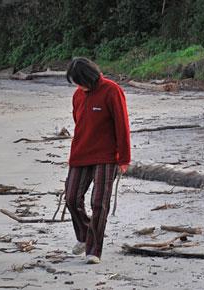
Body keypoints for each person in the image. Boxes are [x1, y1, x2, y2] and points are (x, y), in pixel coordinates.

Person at [65, 57, 131, 264]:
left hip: (107, 155)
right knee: (71, 198)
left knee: (99, 203)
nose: (78, 86)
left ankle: (93, 250)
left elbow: (122, 125)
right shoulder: (78, 95)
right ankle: (85, 235)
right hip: (81, 153)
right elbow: (79, 123)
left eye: (79, 81)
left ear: (90, 78)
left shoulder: (112, 91)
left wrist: (124, 157)